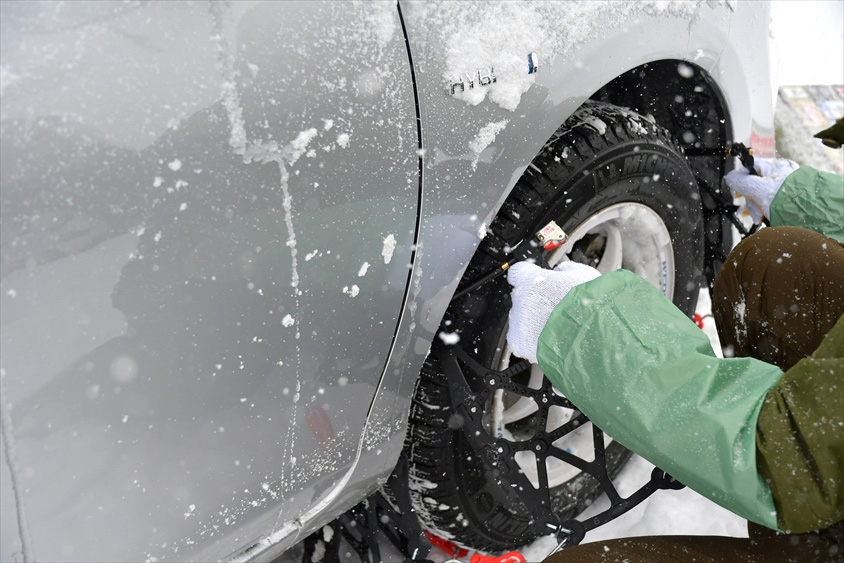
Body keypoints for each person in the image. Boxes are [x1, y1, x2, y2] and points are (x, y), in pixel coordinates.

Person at [506, 143, 844, 561]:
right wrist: (811, 199)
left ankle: (803, 530)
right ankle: (793, 522)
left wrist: (584, 327)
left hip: (813, 461)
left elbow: (801, 450)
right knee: (779, 265)